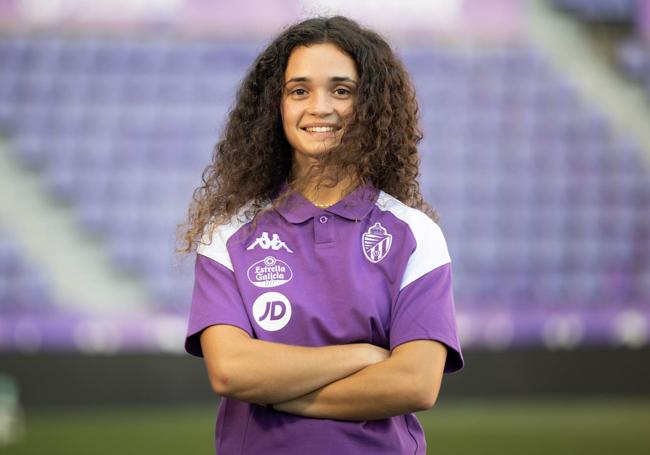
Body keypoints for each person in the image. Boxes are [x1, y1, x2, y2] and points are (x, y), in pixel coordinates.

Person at [180, 15, 464, 455]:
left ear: (370, 105)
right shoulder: (228, 235)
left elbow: (415, 384)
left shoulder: (415, 235)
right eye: (299, 91)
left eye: (341, 90)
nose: (319, 107)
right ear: (275, 107)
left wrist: (277, 392)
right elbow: (232, 372)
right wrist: (363, 356)